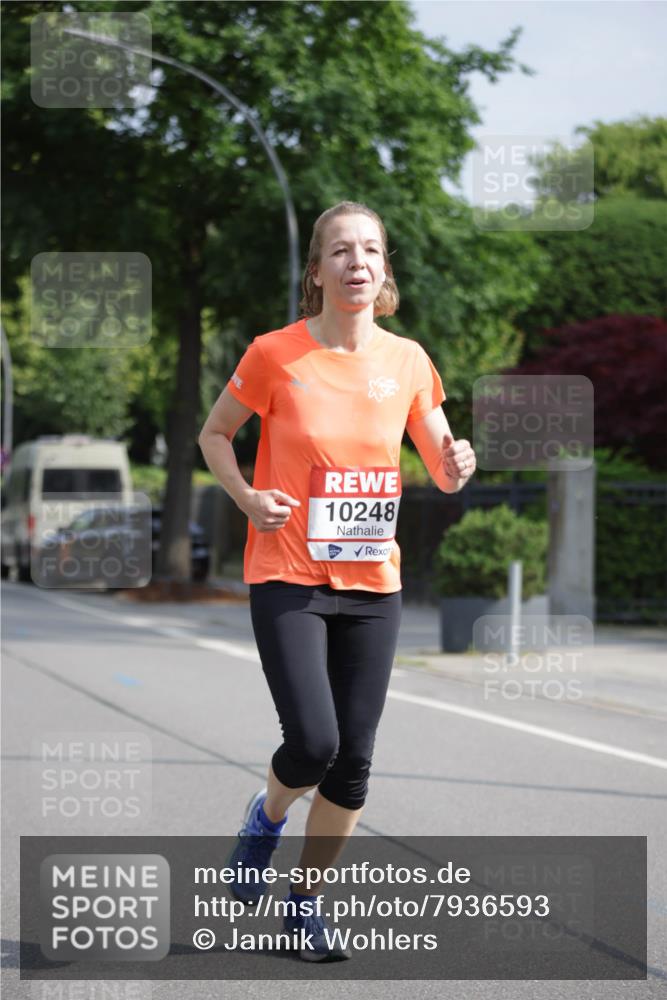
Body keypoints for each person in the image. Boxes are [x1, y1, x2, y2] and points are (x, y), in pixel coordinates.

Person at [198, 200, 476, 962]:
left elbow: (442, 464)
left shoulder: (409, 361)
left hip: (371, 582)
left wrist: (457, 464)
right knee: (313, 743)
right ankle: (267, 815)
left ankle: (305, 905)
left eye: (371, 251)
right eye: (342, 251)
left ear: (384, 272)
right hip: (287, 571)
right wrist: (248, 498)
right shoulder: (273, 353)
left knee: (354, 759)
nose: (357, 262)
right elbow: (214, 434)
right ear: (315, 272)